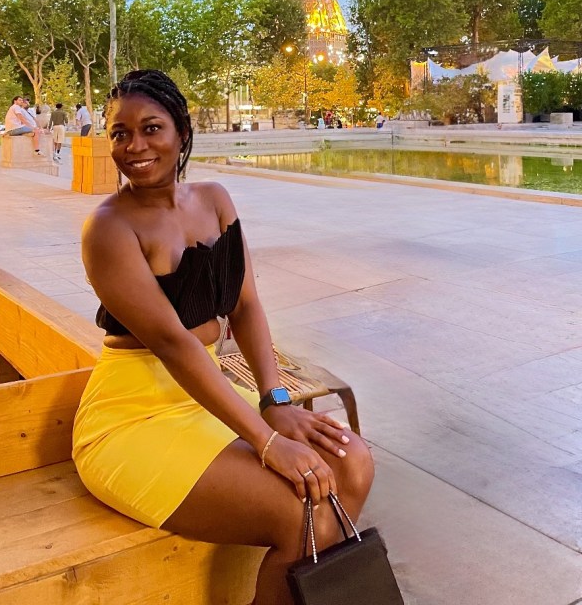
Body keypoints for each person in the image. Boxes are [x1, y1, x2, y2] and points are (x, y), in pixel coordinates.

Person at [72, 71, 374, 605]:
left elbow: (248, 304)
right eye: (120, 133)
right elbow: (174, 343)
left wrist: (275, 399)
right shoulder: (109, 229)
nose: (134, 146)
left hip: (205, 401)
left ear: (182, 133)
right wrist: (264, 438)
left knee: (353, 462)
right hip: (131, 418)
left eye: (151, 128)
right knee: (303, 511)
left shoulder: (214, 200)